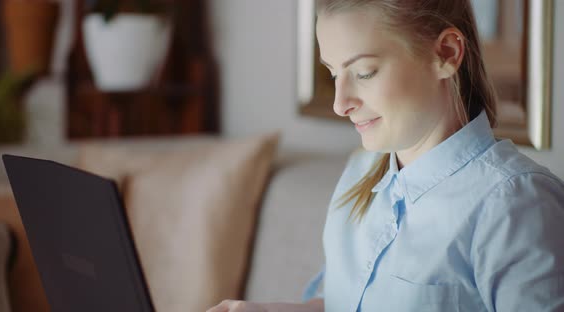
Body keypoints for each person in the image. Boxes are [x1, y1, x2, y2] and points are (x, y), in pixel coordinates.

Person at [207, 0, 564, 311]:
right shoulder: (360, 172)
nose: (340, 103)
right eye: (333, 74)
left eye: (364, 73)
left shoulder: (516, 204)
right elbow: (340, 303)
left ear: (447, 54)